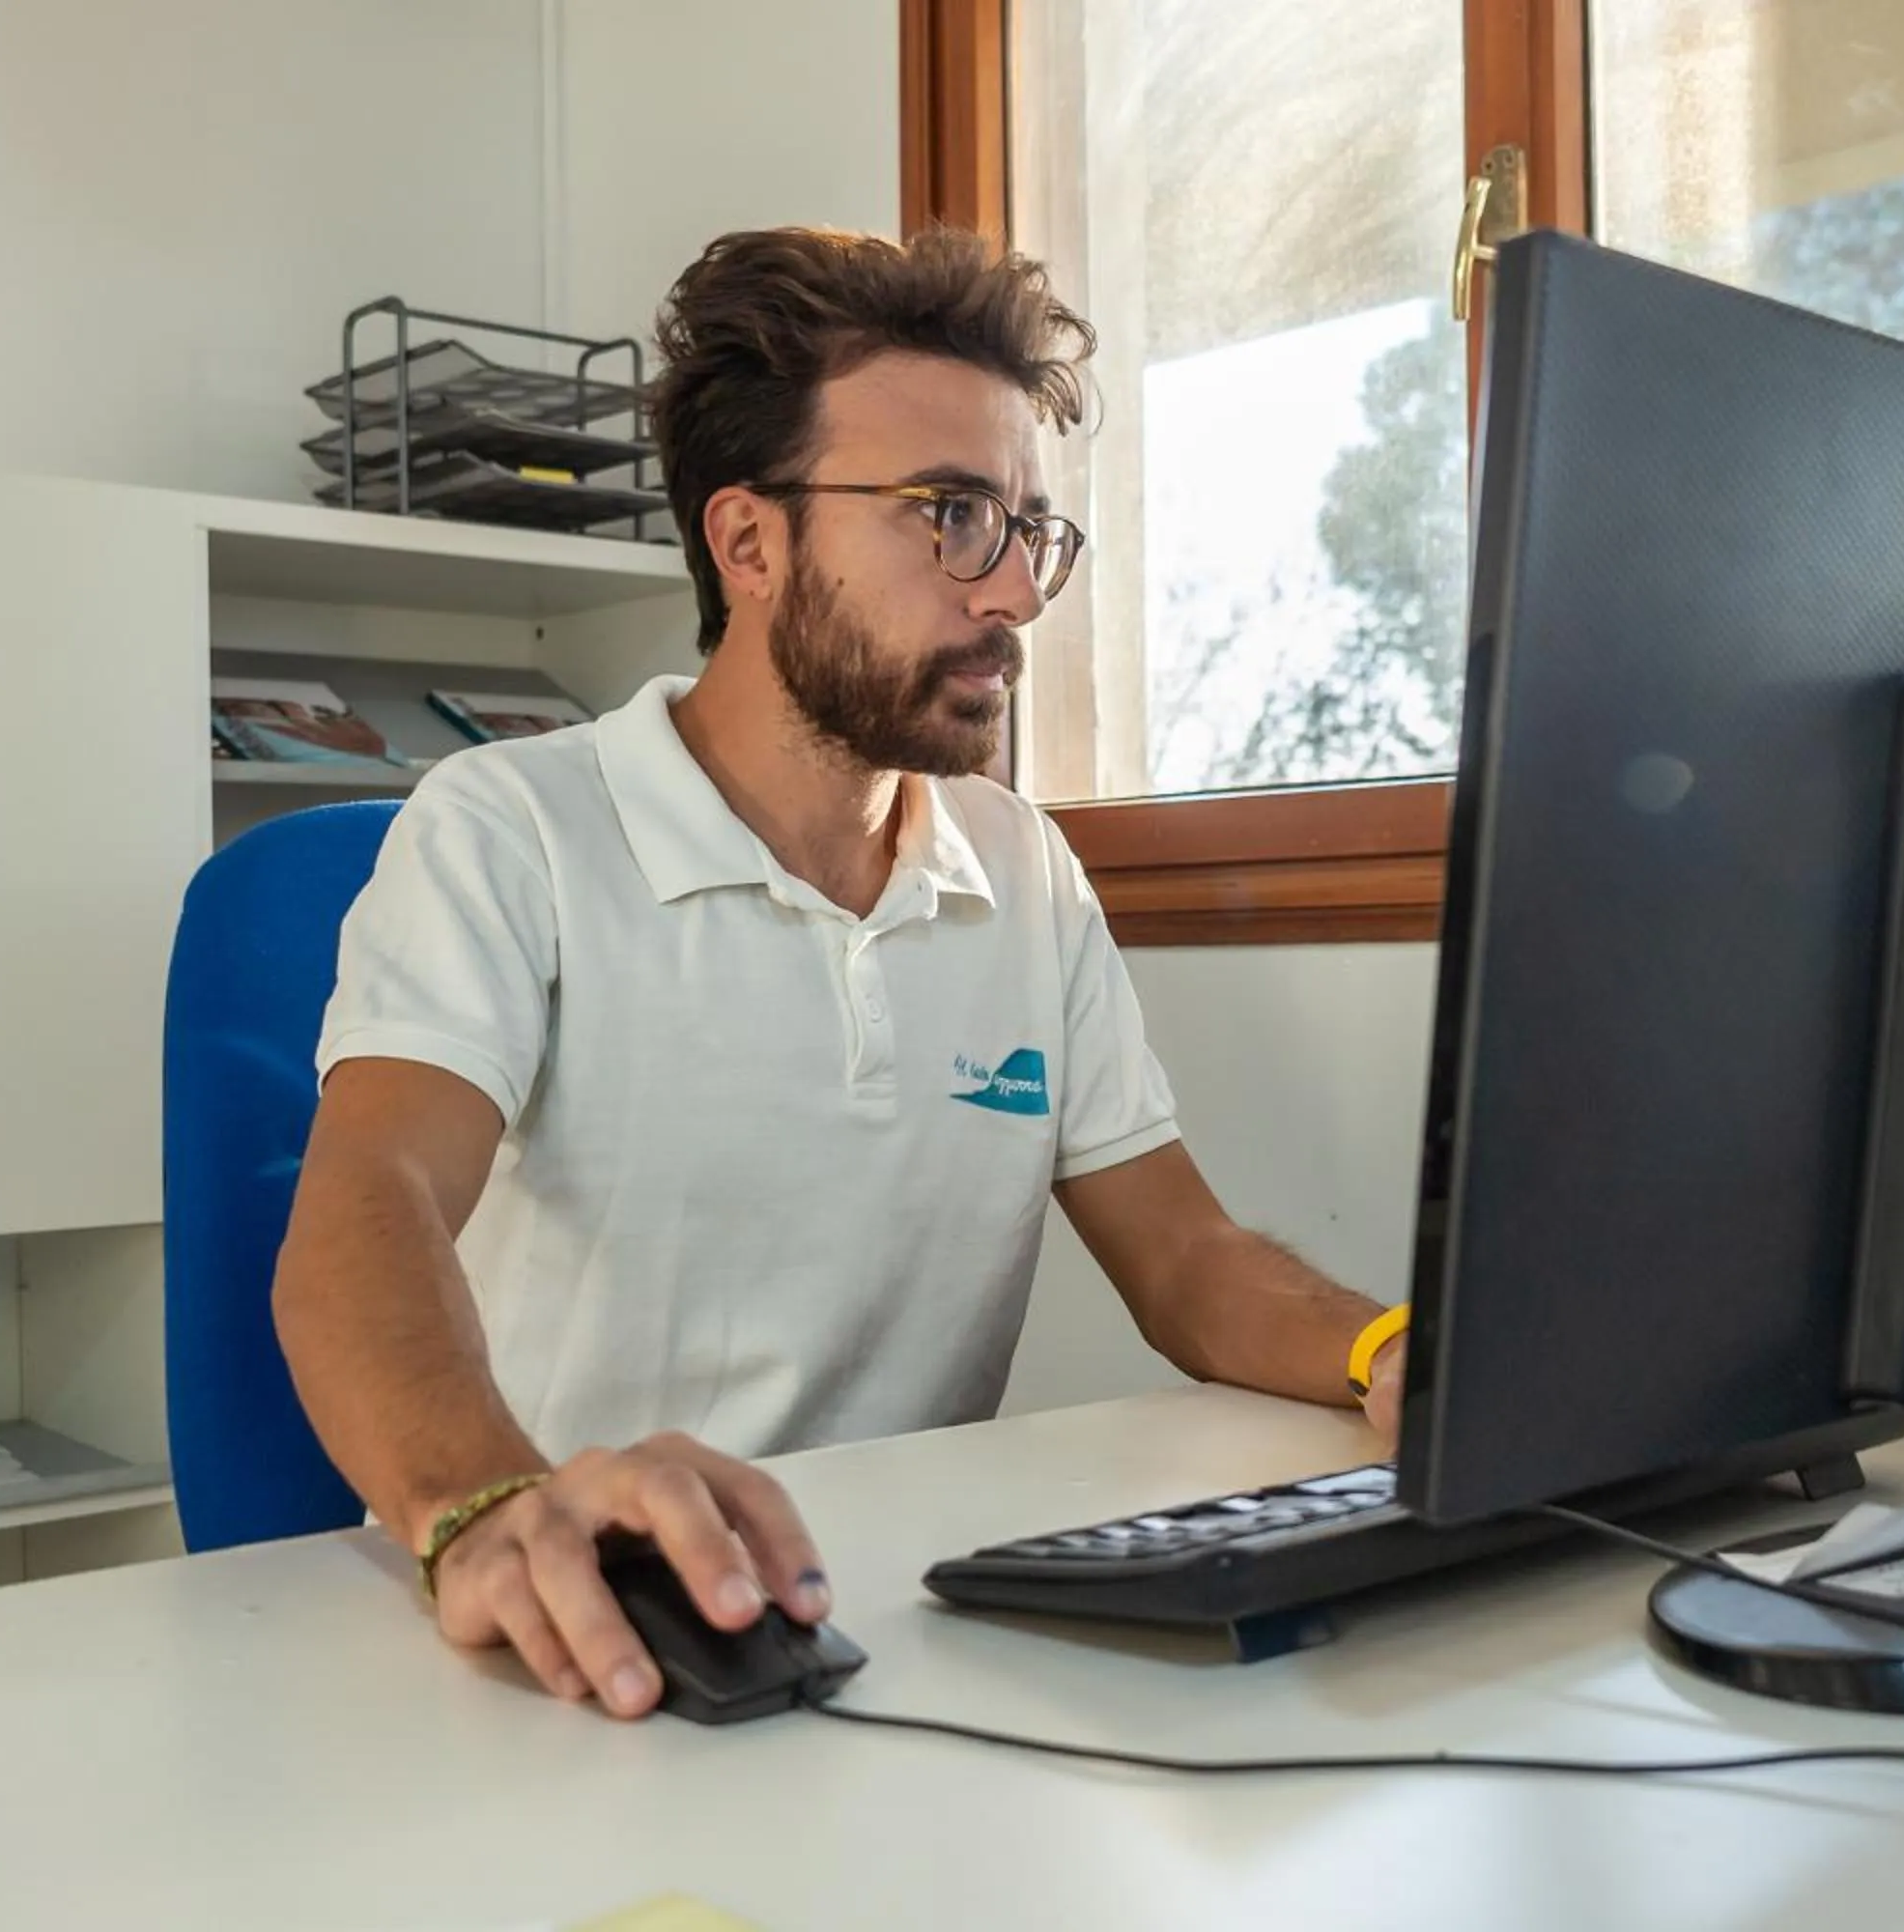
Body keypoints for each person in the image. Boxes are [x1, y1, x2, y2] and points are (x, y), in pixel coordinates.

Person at [273, 226, 1410, 1721]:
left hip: (886, 1626)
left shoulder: (1022, 869)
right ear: (749, 545)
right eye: (946, 516)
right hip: (563, 1641)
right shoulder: (510, 830)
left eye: (1026, 532)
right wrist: (484, 1506)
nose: (1006, 595)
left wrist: (1396, 1352)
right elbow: (369, 1208)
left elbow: (1186, 1261)